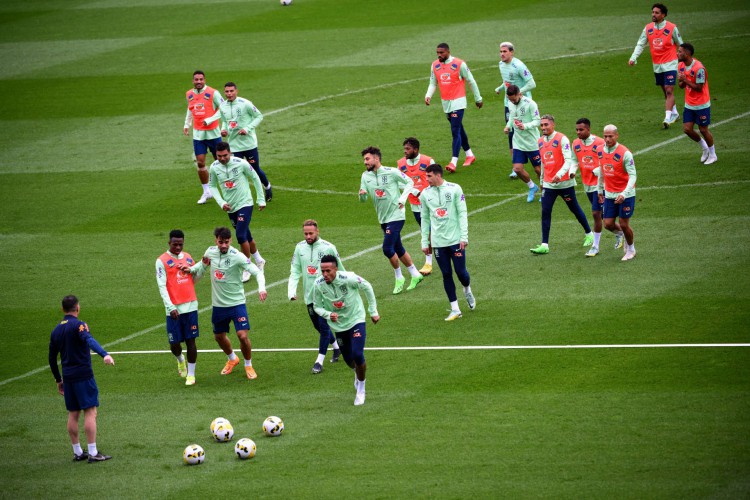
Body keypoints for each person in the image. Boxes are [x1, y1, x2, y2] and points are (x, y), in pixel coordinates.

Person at [181, 227, 267, 378]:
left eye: (226, 242)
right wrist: (190, 269)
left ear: (231, 241)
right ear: (216, 240)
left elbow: (257, 272)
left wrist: (261, 289)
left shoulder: (238, 256)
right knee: (218, 337)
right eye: (221, 242)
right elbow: (202, 266)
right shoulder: (210, 252)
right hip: (218, 305)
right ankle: (232, 359)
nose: (223, 245)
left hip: (237, 303)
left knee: (242, 336)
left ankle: (248, 365)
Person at [48, 295, 115, 463]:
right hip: (83, 376)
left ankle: (77, 452)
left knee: (73, 414)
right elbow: (89, 340)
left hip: (68, 378)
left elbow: (51, 358)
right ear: (77, 308)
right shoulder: (80, 326)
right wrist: (104, 354)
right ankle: (93, 452)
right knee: (90, 412)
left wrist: (58, 380)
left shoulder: (56, 330)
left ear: (63, 309)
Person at [312, 255, 379, 406]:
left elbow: (367, 286)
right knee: (349, 360)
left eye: (328, 271)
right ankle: (357, 373)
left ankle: (361, 389)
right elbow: (316, 306)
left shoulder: (348, 278)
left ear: (336, 269)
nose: (325, 274)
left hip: (356, 319)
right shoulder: (318, 284)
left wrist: (373, 311)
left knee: (357, 354)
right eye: (322, 271)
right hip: (339, 326)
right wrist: (328, 314)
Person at [359, 146, 425, 294]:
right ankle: (415, 274)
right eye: (364, 159)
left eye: (367, 159)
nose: (365, 162)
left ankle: (399, 277)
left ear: (376, 158)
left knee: (387, 248)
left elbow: (410, 183)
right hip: (382, 217)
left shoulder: (392, 172)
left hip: (397, 214)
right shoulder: (365, 176)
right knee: (398, 247)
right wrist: (362, 194)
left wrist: (402, 198)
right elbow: (363, 200)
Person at [529, 115, 594, 255]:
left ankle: (589, 233)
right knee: (545, 212)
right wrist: (541, 182)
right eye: (542, 125)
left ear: (553, 125)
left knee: (574, 208)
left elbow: (568, 160)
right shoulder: (540, 141)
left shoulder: (562, 139)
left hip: (564, 183)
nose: (543, 128)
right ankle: (544, 244)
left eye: (546, 125)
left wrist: (559, 174)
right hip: (548, 184)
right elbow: (543, 164)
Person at [420, 164, 475, 321]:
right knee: (446, 274)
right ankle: (455, 309)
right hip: (438, 242)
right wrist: (425, 241)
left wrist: (464, 237)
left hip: (455, 239)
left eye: (429, 176)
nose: (427, 179)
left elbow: (462, 213)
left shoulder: (455, 189)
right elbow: (424, 219)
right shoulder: (425, 194)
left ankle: (467, 289)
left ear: (438, 175)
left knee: (461, 272)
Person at [288, 219, 343, 374]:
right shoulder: (299, 248)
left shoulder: (329, 248)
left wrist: (345, 290)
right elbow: (295, 270)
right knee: (317, 326)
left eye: (311, 233)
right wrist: (291, 291)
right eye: (305, 233)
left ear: (317, 231)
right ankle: (337, 348)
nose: (308, 236)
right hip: (309, 296)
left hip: (326, 296)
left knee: (324, 328)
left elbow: (341, 269)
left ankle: (319, 361)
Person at [208, 141, 266, 283]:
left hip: (245, 203)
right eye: (219, 156)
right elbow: (212, 186)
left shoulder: (241, 163)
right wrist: (221, 203)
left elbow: (255, 177)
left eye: (225, 155)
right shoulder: (214, 168)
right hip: (230, 207)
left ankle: (246, 268)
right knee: (246, 234)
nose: (222, 158)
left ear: (230, 153)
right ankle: (259, 260)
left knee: (240, 235)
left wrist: (260, 199)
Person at [155, 229, 204, 386]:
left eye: (180, 244)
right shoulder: (161, 261)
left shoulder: (188, 258)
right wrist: (170, 307)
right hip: (174, 309)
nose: (178, 247)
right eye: (175, 244)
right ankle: (180, 359)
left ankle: (191, 374)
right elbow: (162, 286)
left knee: (191, 341)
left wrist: (202, 267)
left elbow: (194, 279)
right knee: (174, 344)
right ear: (169, 243)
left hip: (191, 306)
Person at [425, 42, 483, 172]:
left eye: (442, 53)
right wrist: (428, 95)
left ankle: (453, 162)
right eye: (437, 53)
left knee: (455, 130)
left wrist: (478, 98)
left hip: (458, 101)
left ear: (448, 52)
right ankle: (469, 155)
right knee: (459, 128)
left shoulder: (459, 64)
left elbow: (471, 80)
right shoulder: (435, 65)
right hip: (446, 103)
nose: (439, 55)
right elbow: (433, 83)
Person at [571, 119, 625, 257]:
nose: (578, 132)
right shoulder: (576, 144)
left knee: (596, 214)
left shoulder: (600, 142)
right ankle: (621, 233)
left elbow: (608, 160)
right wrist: (572, 170)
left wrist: (597, 170)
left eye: (581, 130)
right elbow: (575, 160)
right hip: (587, 184)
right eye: (577, 130)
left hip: (600, 185)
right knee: (603, 217)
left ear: (588, 129)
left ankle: (595, 247)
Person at [628, 3, 684, 128]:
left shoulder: (671, 27)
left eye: (657, 12)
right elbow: (640, 44)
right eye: (653, 12)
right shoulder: (648, 28)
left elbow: (681, 44)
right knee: (665, 90)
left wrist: (683, 61)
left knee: (669, 89)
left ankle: (667, 118)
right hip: (657, 65)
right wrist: (633, 57)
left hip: (671, 63)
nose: (653, 14)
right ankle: (674, 113)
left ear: (663, 15)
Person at [219, 82, 274, 200]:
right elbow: (224, 120)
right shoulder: (223, 106)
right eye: (227, 91)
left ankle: (267, 186)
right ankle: (242, 197)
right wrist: (223, 130)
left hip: (249, 144)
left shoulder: (245, 104)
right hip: (233, 145)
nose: (229, 94)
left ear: (236, 91)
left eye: (231, 91)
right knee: (237, 172)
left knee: (254, 170)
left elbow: (259, 116)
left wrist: (247, 129)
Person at [494, 42, 537, 180]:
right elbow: (507, 81)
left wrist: (518, 93)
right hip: (509, 104)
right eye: (500, 51)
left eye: (505, 51)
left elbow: (532, 84)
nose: (502, 54)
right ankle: (516, 167)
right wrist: (501, 88)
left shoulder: (519, 66)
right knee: (511, 132)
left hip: (524, 104)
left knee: (528, 129)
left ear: (512, 52)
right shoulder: (501, 65)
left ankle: (538, 157)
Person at [598, 125, 638, 261]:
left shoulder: (625, 153)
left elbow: (633, 175)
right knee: (608, 224)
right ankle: (624, 235)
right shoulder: (600, 151)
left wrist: (624, 194)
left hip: (625, 194)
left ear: (616, 136)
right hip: (609, 194)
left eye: (610, 136)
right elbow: (601, 171)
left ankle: (631, 249)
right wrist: (599, 189)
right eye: (605, 136)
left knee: (624, 223)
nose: (607, 139)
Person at [183, 70, 223, 204]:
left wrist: (211, 119)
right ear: (193, 81)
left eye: (201, 79)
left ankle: (226, 189)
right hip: (198, 134)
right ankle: (207, 191)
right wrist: (186, 124)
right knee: (200, 163)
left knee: (221, 161)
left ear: (204, 80)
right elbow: (190, 109)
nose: (198, 82)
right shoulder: (189, 94)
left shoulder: (213, 93)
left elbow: (223, 109)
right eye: (196, 79)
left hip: (214, 133)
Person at [397, 137, 435, 276]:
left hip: (431, 202)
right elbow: (398, 182)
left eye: (408, 149)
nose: (405, 151)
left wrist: (424, 192)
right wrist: (413, 190)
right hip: (415, 204)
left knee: (435, 229)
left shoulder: (427, 161)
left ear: (416, 149)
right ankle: (429, 262)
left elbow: (436, 178)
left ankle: (435, 258)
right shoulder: (401, 164)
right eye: (404, 149)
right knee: (426, 230)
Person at [677, 43, 717, 165]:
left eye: (680, 51)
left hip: (702, 104)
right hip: (689, 104)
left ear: (687, 53)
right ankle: (704, 148)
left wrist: (685, 80)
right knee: (687, 129)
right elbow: (680, 86)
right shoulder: (681, 65)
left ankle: (713, 155)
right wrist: (682, 81)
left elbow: (699, 88)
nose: (677, 54)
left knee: (703, 130)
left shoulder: (699, 69)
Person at [504, 85, 541, 202]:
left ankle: (544, 191)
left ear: (519, 94)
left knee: (538, 170)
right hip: (518, 142)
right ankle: (532, 186)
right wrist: (508, 126)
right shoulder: (510, 103)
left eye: (513, 99)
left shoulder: (530, 103)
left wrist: (525, 126)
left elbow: (538, 121)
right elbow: (511, 117)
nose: (512, 102)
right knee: (517, 169)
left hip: (532, 142)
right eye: (510, 100)